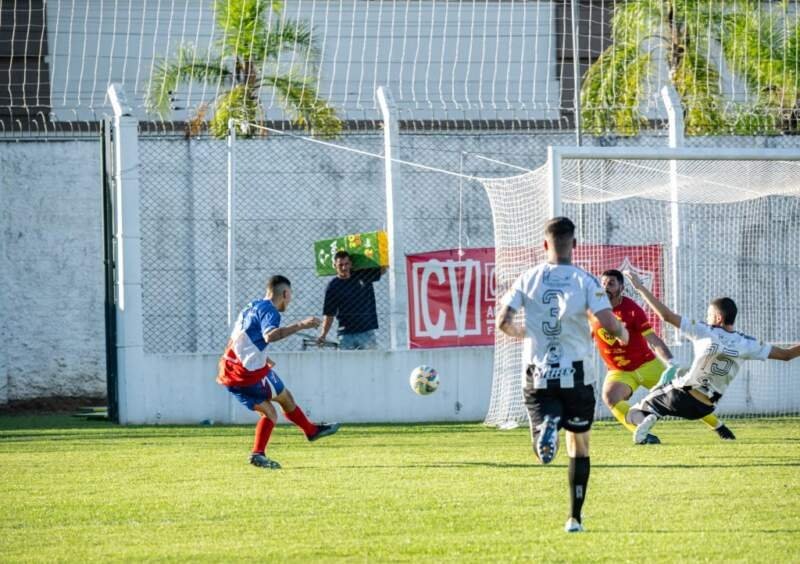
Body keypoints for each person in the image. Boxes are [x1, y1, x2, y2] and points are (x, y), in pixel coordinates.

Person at [497, 217, 629, 533]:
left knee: (541, 447)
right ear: (574, 244)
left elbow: (502, 319)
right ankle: (574, 518)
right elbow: (608, 323)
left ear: (545, 245)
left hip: (537, 374)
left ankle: (547, 425)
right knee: (579, 446)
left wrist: (522, 332)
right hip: (577, 375)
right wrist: (623, 333)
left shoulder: (528, 277)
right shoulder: (585, 281)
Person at [623, 270, 800, 444]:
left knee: (633, 412)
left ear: (717, 317)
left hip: (681, 395)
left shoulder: (704, 330)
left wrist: (640, 288)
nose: (706, 319)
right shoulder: (747, 343)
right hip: (705, 408)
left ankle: (648, 419)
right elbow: (787, 355)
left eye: (708, 315)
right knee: (668, 391)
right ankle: (653, 416)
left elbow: (666, 316)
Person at [591, 269, 735, 443]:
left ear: (621, 287)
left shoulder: (633, 310)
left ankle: (718, 426)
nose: (605, 287)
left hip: (647, 365)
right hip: (619, 370)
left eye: (611, 284)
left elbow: (653, 340)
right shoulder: (592, 309)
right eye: (603, 283)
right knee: (610, 398)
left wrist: (671, 363)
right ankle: (643, 433)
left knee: (687, 393)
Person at [217, 275, 340, 469]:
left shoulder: (252, 306)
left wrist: (263, 358)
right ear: (284, 293)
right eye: (290, 295)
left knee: (276, 406)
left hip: (228, 370)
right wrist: (302, 324)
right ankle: (309, 432)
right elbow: (270, 335)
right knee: (278, 405)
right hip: (247, 373)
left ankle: (263, 452)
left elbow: (241, 338)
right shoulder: (271, 311)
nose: (290, 300)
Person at [317, 250, 386, 350]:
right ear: (334, 265)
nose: (344, 268)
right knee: (345, 365)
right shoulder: (332, 286)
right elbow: (329, 314)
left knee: (372, 363)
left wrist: (380, 252)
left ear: (351, 264)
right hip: (345, 333)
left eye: (346, 264)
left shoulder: (362, 275)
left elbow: (383, 270)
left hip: (366, 331)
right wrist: (323, 334)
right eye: (340, 265)